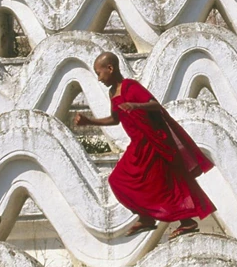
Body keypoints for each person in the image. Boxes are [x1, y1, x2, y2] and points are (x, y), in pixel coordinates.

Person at [74, 52, 216, 240]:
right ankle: (147, 217)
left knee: (166, 183)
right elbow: (115, 119)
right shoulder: (112, 93)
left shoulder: (131, 87)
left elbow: (155, 105)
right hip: (138, 146)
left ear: (110, 68)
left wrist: (135, 105)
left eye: (99, 73)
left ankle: (186, 222)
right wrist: (89, 121)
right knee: (118, 180)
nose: (99, 78)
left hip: (153, 143)